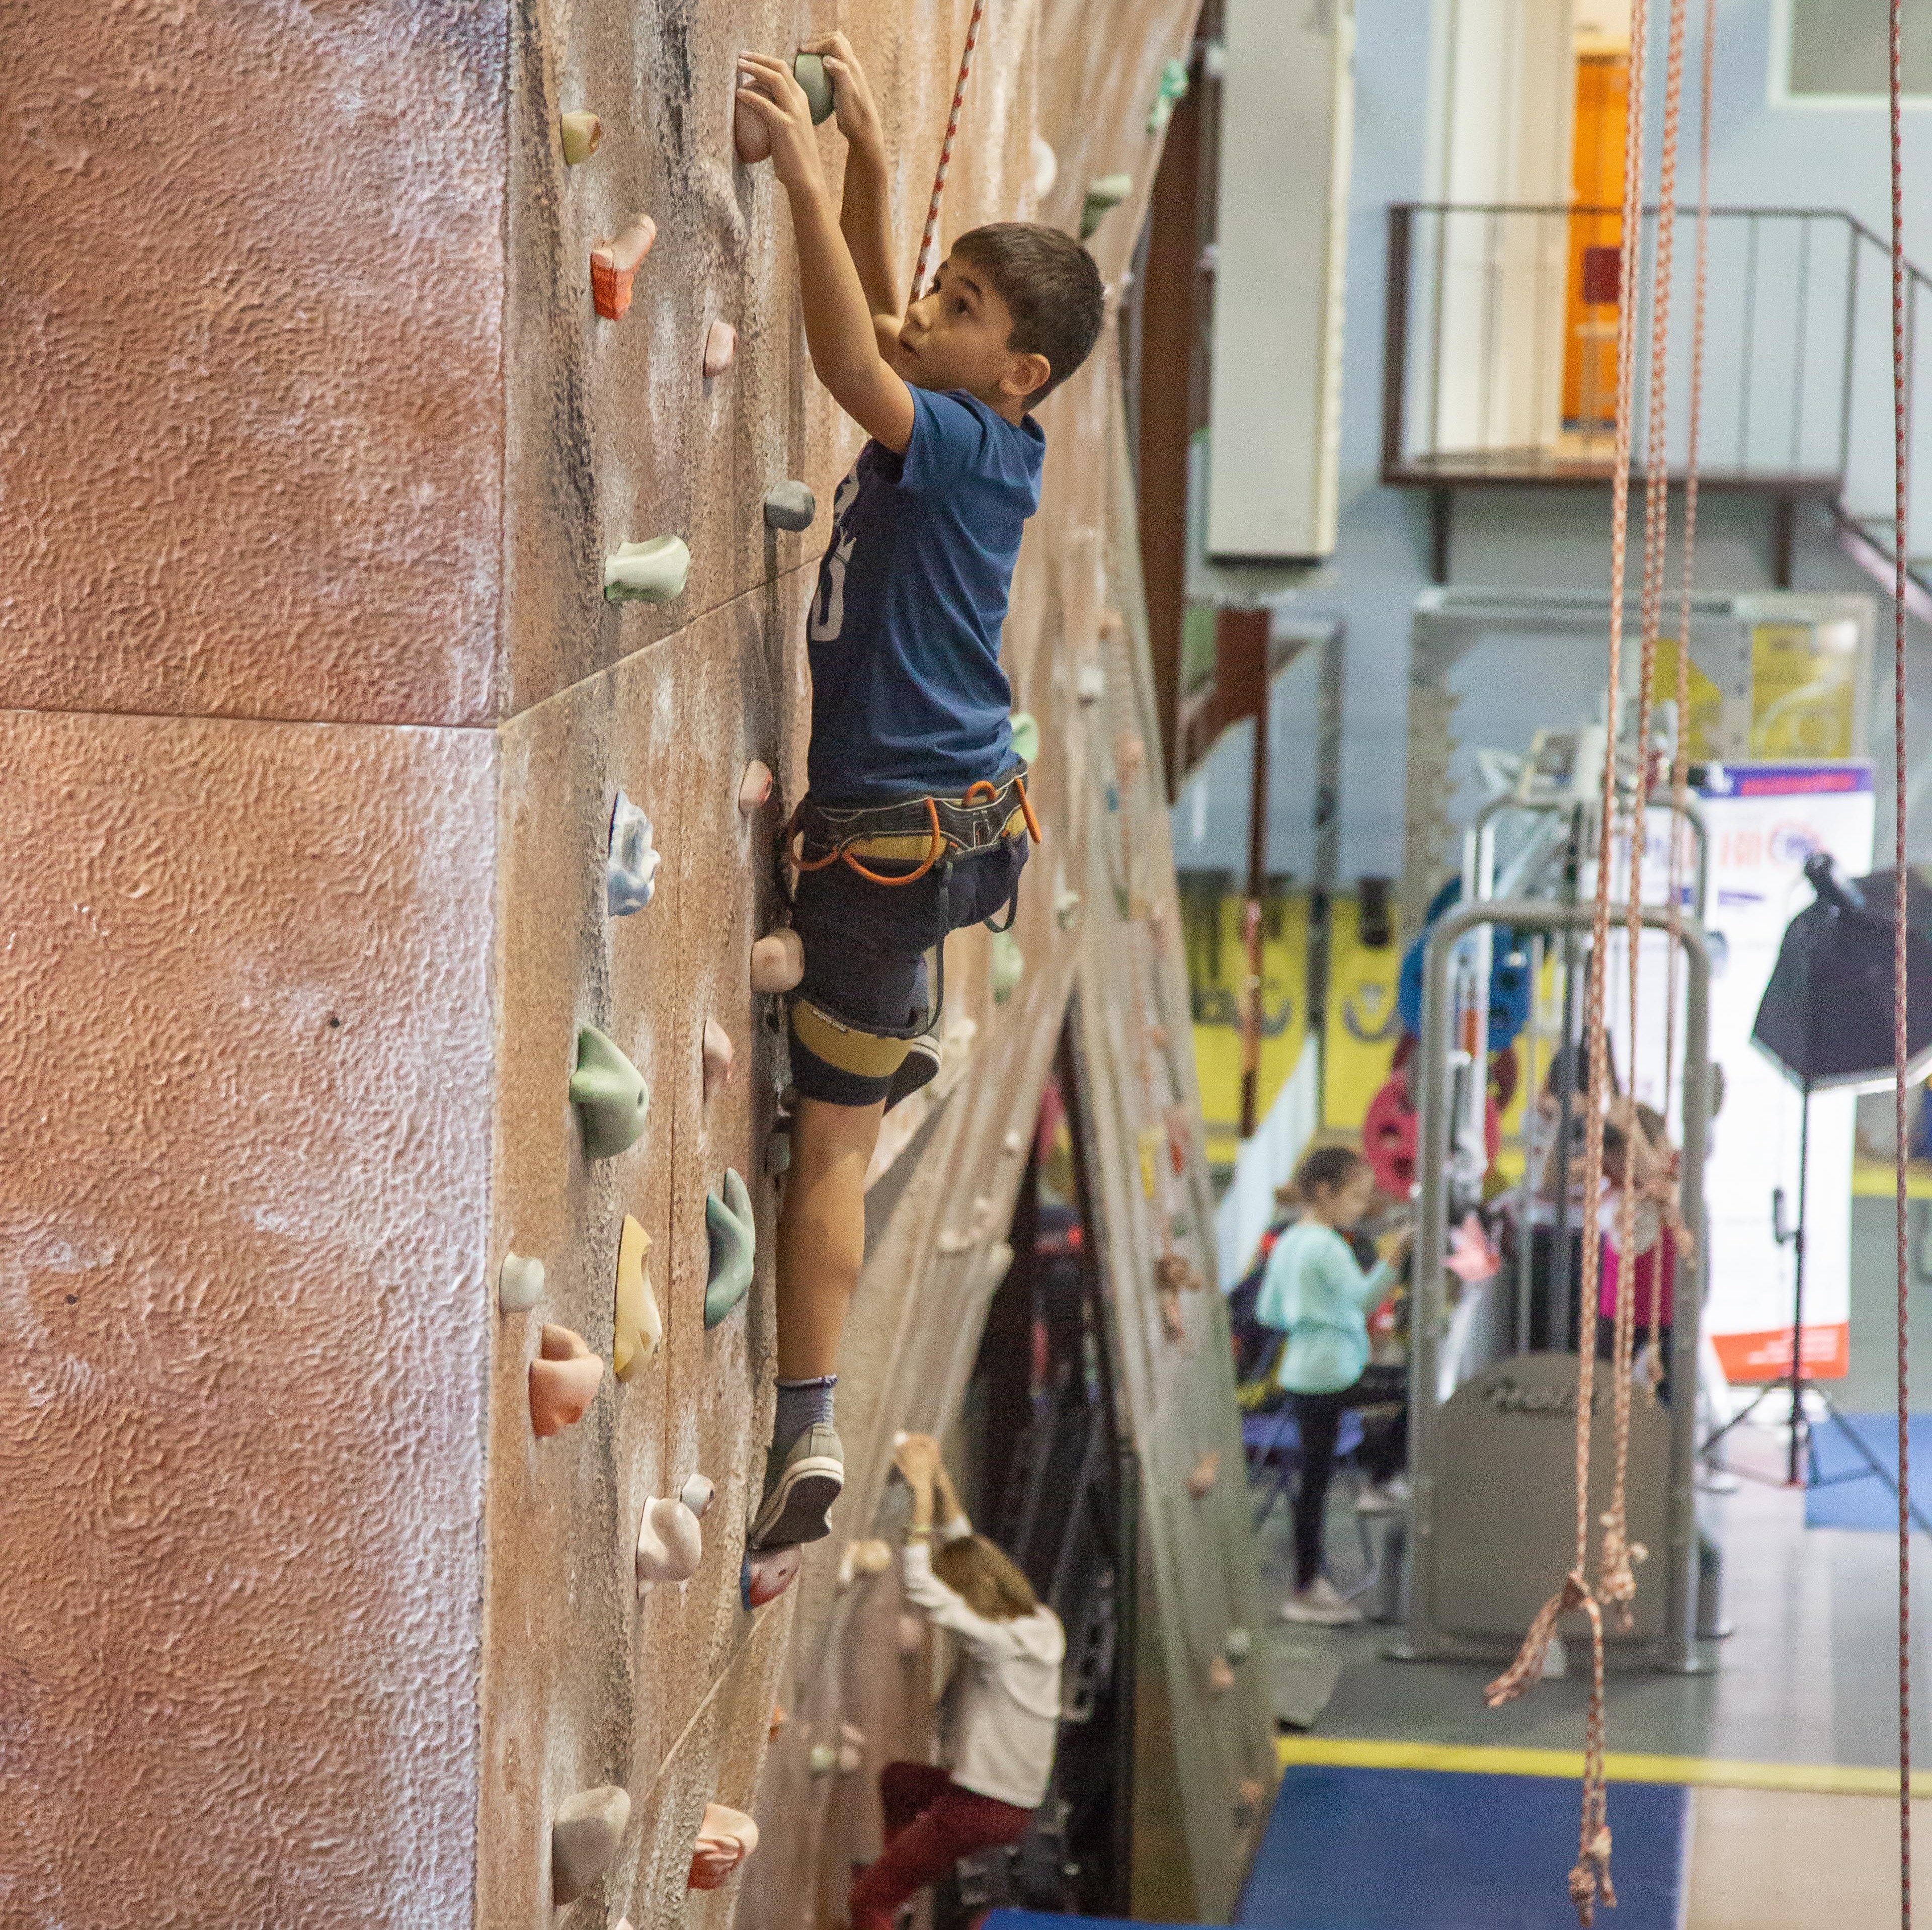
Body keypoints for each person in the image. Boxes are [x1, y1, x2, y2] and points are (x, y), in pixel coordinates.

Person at [733, 40, 1107, 1554]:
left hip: (890, 844)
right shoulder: (990, 434)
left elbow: (849, 361)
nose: (925, 313)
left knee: (824, 1147)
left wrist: (809, 185)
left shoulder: (950, 440)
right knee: (862, 1039)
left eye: (963, 308)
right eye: (944, 290)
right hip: (955, 827)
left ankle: (803, 1416)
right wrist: (877, 169)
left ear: (1016, 371)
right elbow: (892, 332)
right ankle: (893, 1040)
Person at [848, 1434, 1066, 1930]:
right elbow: (968, 1549)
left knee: (867, 1904)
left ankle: (887, 1892)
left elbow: (923, 1587)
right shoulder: (1039, 1623)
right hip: (1008, 1802)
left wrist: (922, 1500)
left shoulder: (996, 1639)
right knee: (901, 1781)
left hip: (981, 1805)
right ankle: (897, 1874)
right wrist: (941, 1479)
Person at [1256, 1145, 1412, 1626]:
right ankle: (1382, 1480)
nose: (1362, 1208)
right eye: (1355, 1198)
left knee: (1315, 1484)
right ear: (1324, 1194)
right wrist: (1397, 1257)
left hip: (1302, 1372)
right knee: (1414, 1394)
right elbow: (1367, 1299)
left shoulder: (1287, 1241)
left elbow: (1269, 1313)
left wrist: (1314, 1316)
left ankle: (1307, 1584)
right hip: (1333, 1373)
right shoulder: (1327, 1246)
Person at [1597, 1101, 1680, 1402]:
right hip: (1613, 1319)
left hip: (1662, 1322)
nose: (1621, 1167)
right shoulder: (1611, 1195)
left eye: (1625, 1157)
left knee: (1660, 1407)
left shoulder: (1671, 1189)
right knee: (1605, 1404)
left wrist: (1631, 1128)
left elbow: (1656, 1175)